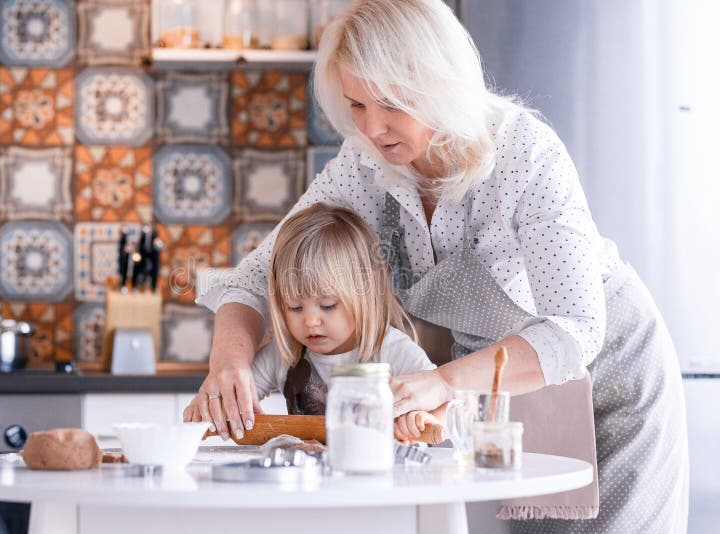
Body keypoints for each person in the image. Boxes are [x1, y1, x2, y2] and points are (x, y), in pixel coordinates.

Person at [191, 1, 688, 532]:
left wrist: (444, 384)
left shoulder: (525, 153)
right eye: (357, 105)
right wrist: (230, 360)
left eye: (391, 102)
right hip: (500, 388)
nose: (373, 127)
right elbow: (253, 275)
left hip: (610, 377)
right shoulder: (365, 163)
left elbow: (576, 330)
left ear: (439, 81)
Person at [183, 204, 436, 425]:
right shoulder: (284, 356)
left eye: (327, 306)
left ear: (366, 294)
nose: (311, 321)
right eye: (294, 307)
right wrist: (212, 407)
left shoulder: (393, 350)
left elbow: (439, 406)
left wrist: (420, 419)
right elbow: (235, 397)